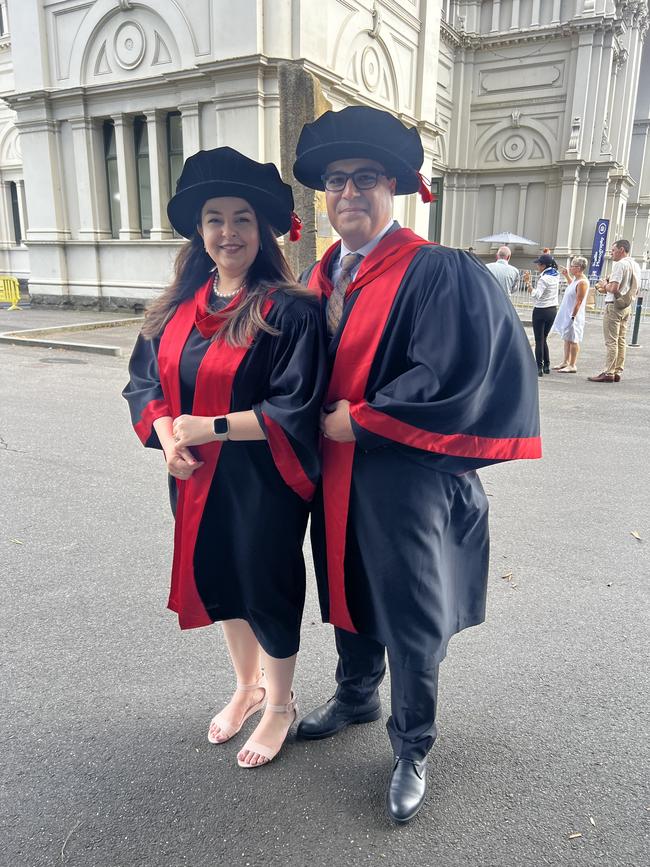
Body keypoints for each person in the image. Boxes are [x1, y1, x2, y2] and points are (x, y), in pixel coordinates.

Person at [291, 106, 541, 823]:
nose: (347, 194)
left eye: (364, 179)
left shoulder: (436, 271)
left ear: (395, 186)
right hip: (335, 478)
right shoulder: (318, 276)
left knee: (409, 608)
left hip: (409, 478)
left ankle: (413, 743)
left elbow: (451, 375)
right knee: (343, 583)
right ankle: (357, 691)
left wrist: (359, 419)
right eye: (336, 181)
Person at [123, 147, 326, 768]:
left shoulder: (288, 310)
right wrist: (166, 436)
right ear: (198, 230)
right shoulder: (176, 307)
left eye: (242, 218)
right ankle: (246, 685)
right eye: (215, 218)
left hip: (262, 481)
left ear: (262, 229)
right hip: (193, 477)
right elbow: (144, 385)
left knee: (266, 583)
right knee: (221, 580)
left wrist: (206, 428)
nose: (228, 232)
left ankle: (281, 704)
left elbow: (297, 407)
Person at [588, 239, 641, 383]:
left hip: (614, 305)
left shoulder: (620, 265)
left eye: (613, 250)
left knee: (611, 340)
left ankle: (609, 372)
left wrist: (605, 285)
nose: (611, 253)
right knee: (621, 339)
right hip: (627, 305)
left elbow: (613, 288)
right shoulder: (635, 265)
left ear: (622, 250)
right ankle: (617, 370)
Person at [550, 256, 589, 372]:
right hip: (568, 312)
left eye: (572, 266)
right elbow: (572, 286)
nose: (570, 268)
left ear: (579, 268)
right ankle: (565, 361)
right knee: (567, 338)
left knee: (573, 339)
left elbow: (579, 301)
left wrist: (573, 316)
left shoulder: (582, 282)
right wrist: (567, 275)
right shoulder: (576, 280)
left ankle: (572, 364)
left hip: (574, 315)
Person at [524, 252, 559, 376]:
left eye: (538, 264)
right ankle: (547, 365)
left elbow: (536, 295)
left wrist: (528, 283)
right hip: (552, 310)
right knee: (544, 338)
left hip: (541, 310)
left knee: (539, 340)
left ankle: (539, 366)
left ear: (544, 265)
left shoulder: (544, 278)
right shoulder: (556, 275)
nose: (537, 267)